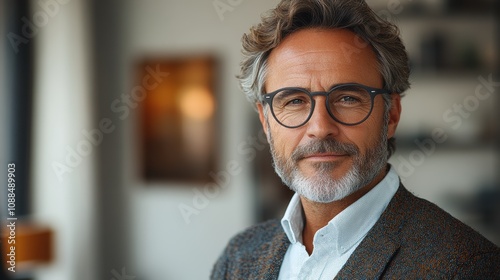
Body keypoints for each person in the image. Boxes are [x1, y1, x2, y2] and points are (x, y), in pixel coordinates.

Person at [211, 0, 500, 279]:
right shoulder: (237, 257)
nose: (320, 127)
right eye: (295, 101)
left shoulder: (468, 267)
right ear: (265, 120)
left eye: (348, 98)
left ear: (391, 115)